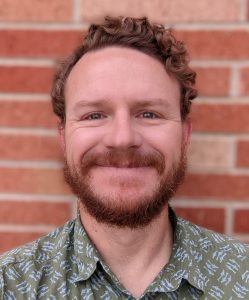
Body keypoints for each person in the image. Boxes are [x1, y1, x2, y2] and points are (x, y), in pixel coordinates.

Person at [0, 16, 249, 300]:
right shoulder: (10, 285)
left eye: (149, 114)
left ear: (184, 135)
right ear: (63, 136)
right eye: (94, 115)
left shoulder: (243, 277)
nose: (122, 139)